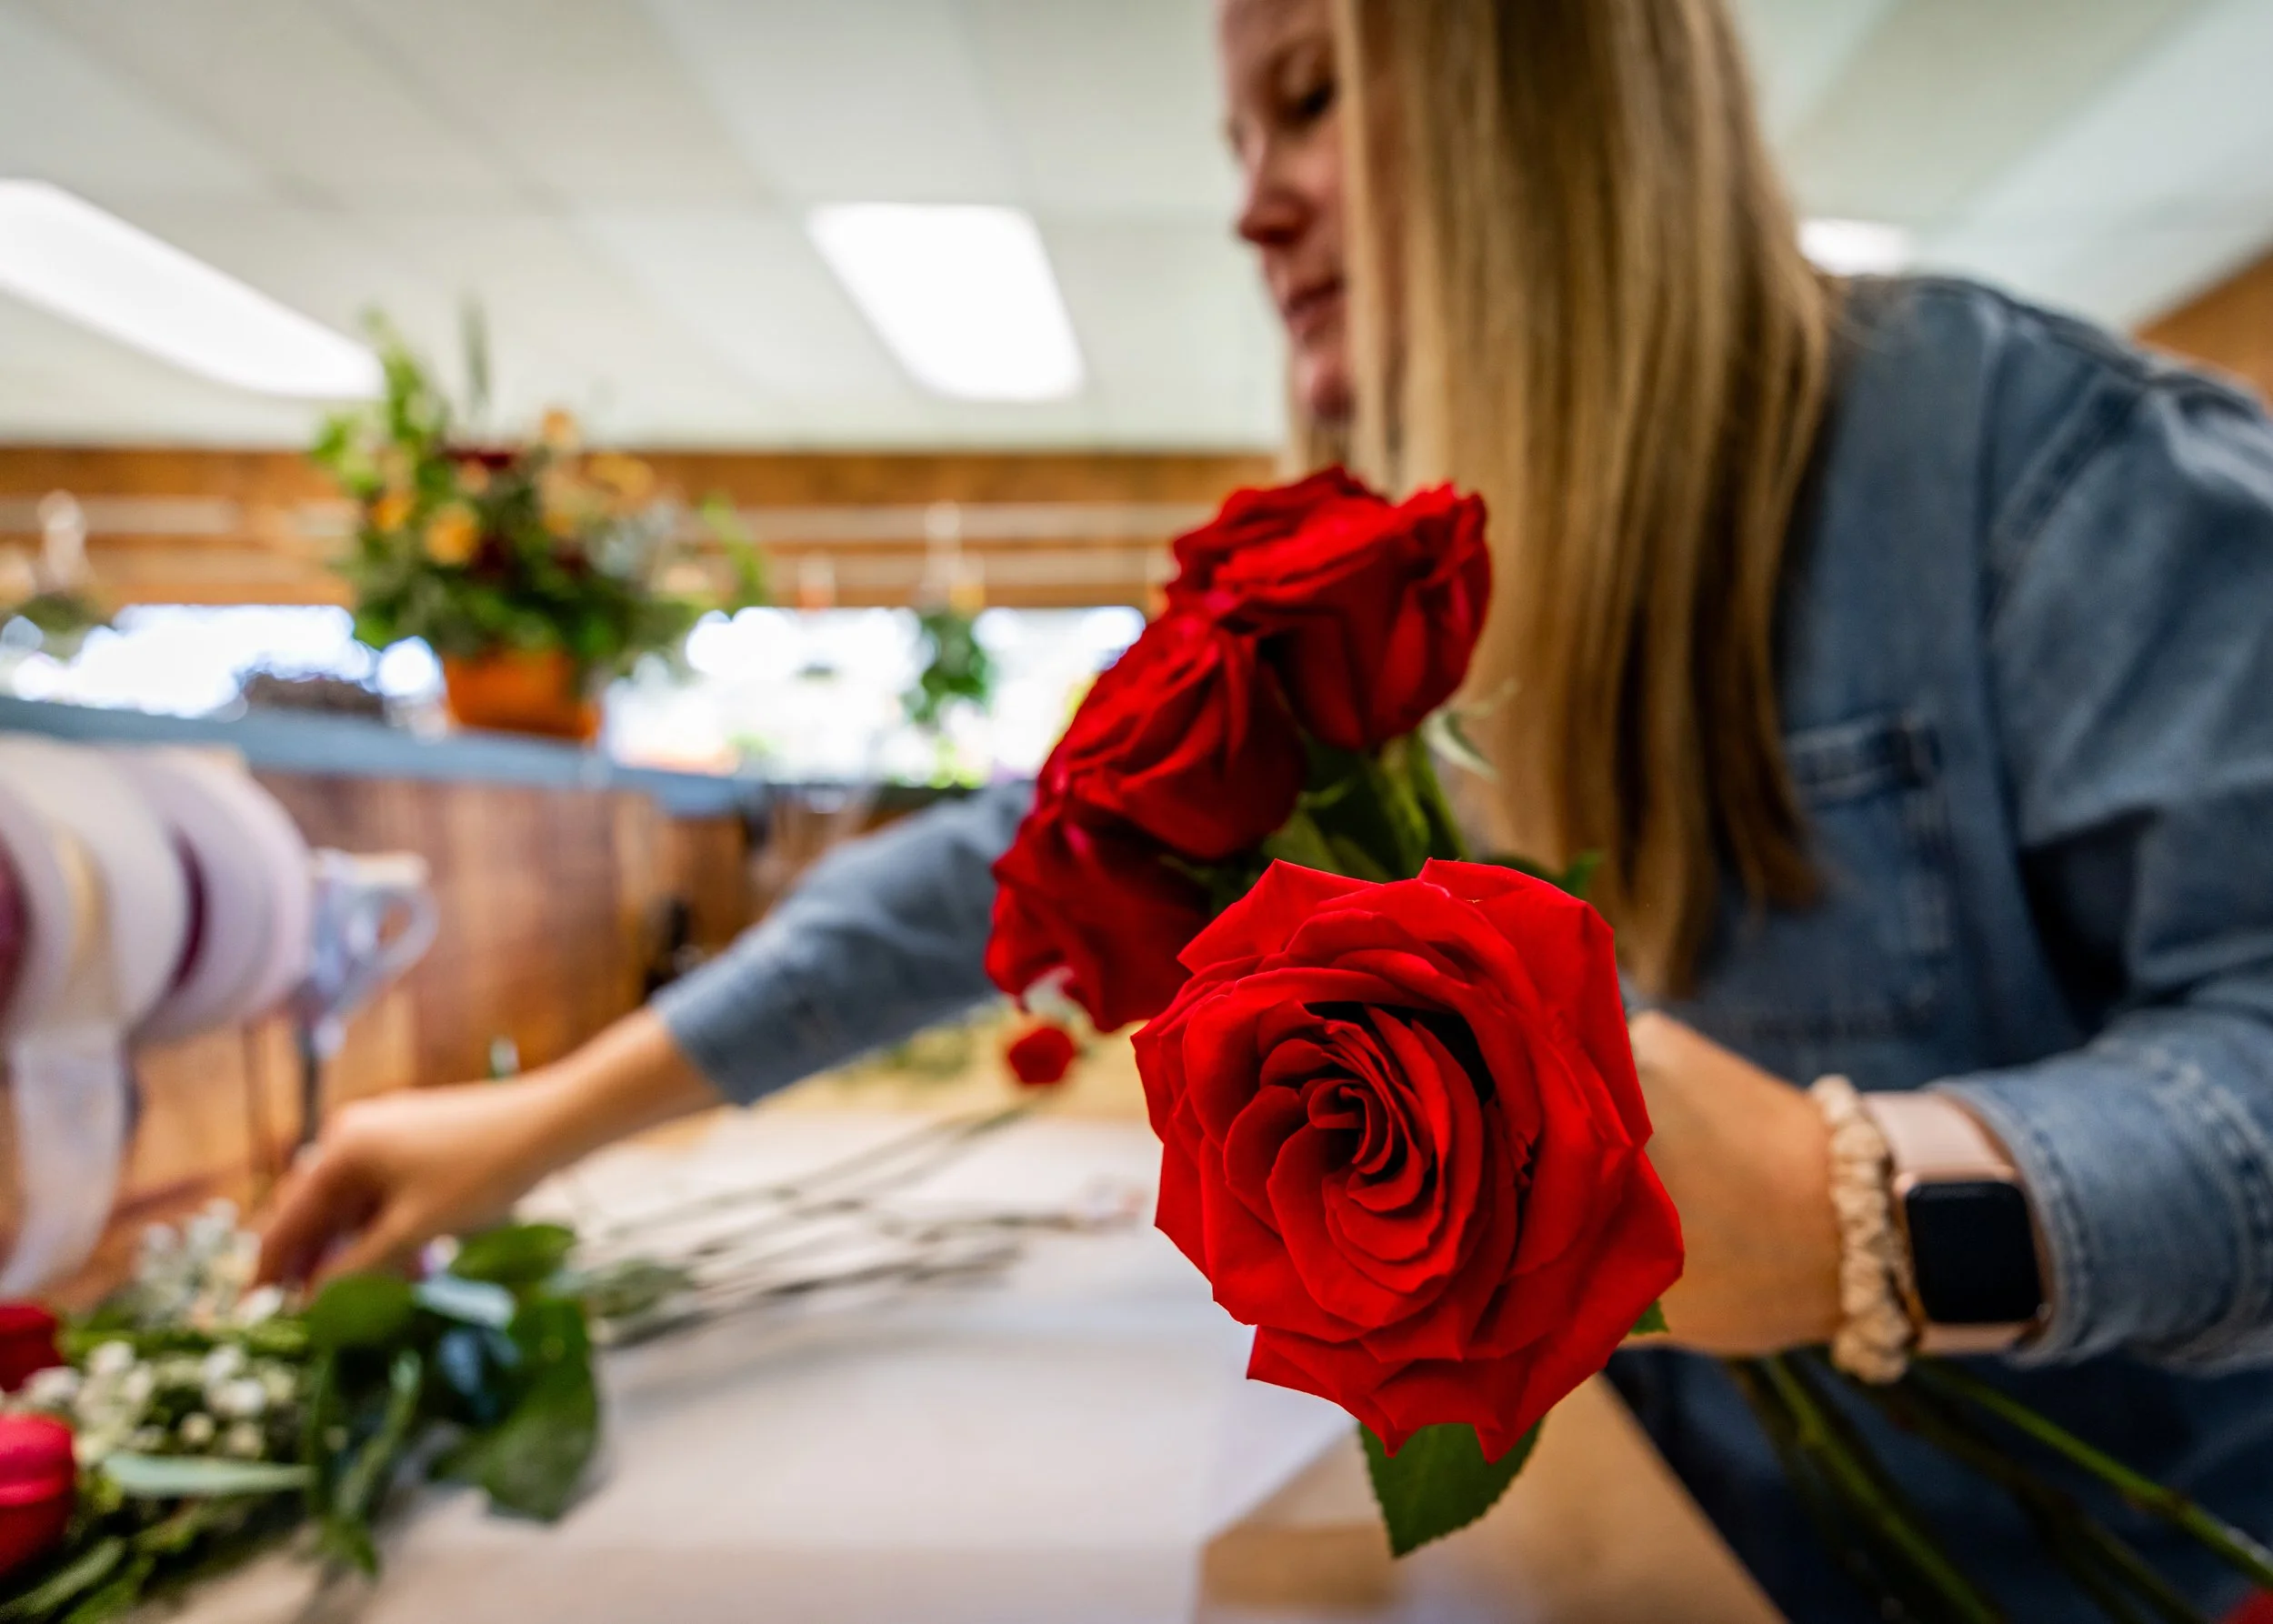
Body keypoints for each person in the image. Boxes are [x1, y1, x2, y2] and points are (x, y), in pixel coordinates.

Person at [262, 0, 2273, 1615]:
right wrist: (535, 1120)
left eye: (1306, 100)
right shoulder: (1416, 564)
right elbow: (1003, 862)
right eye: (1234, 143)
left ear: (1551, 90)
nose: (1249, 210)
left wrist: (1868, 1204)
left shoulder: (2039, 468)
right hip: (1659, 1537)